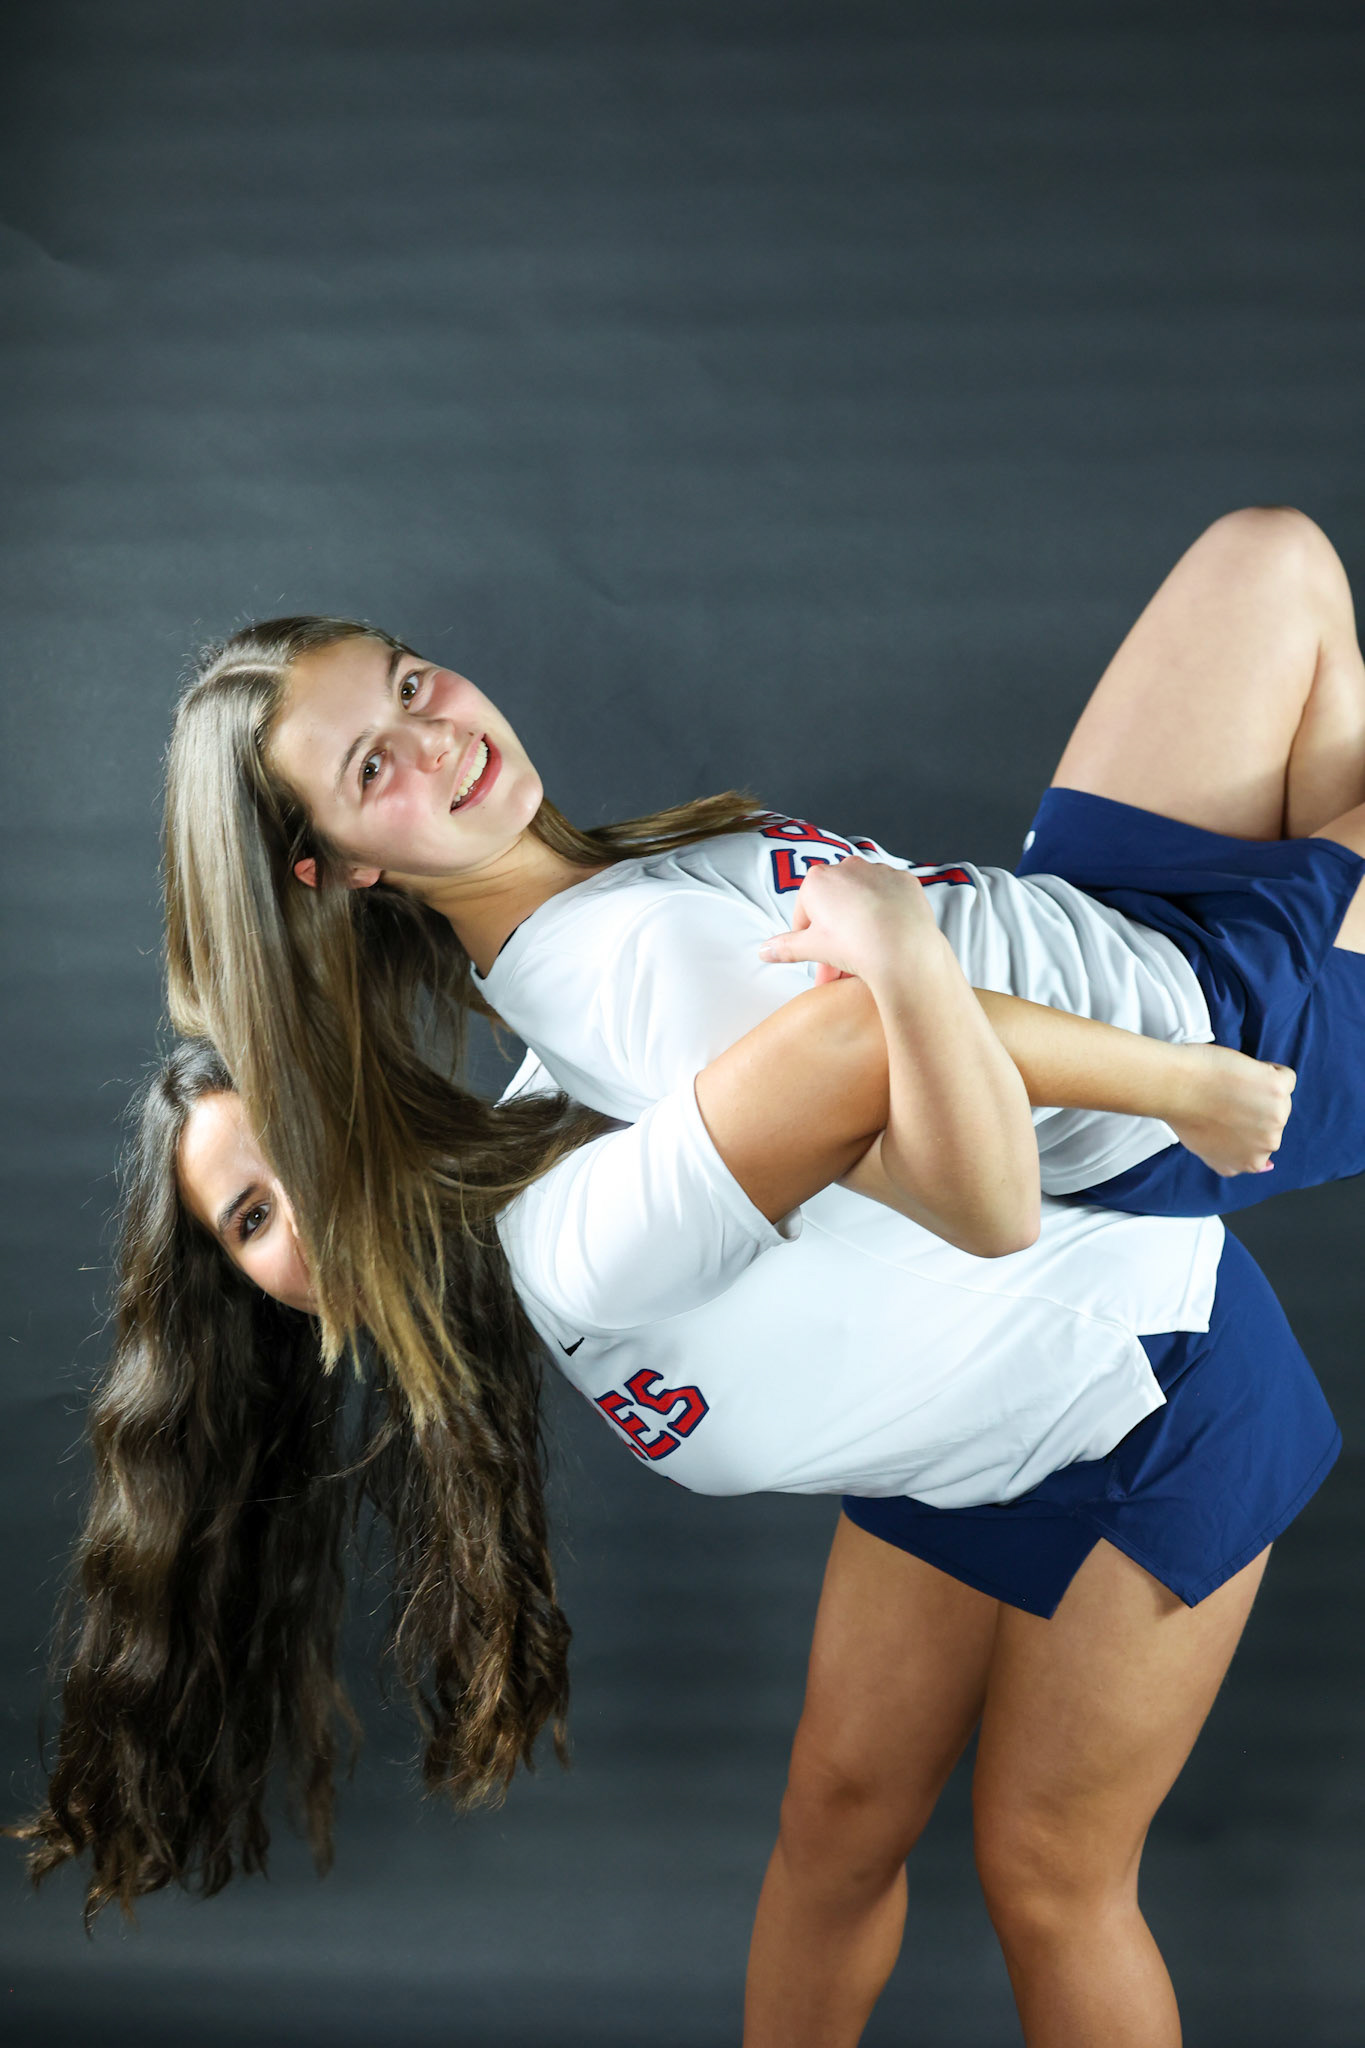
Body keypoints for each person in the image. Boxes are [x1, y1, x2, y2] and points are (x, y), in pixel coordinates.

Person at [20, 856, 1337, 2048]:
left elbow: (857, 1032)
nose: (301, 1212)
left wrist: (1180, 1084)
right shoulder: (508, 1264)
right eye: (252, 1215)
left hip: (1151, 1385)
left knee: (1046, 1869)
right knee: (831, 1826)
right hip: (959, 1443)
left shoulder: (581, 1216)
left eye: (298, 1146)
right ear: (248, 1287)